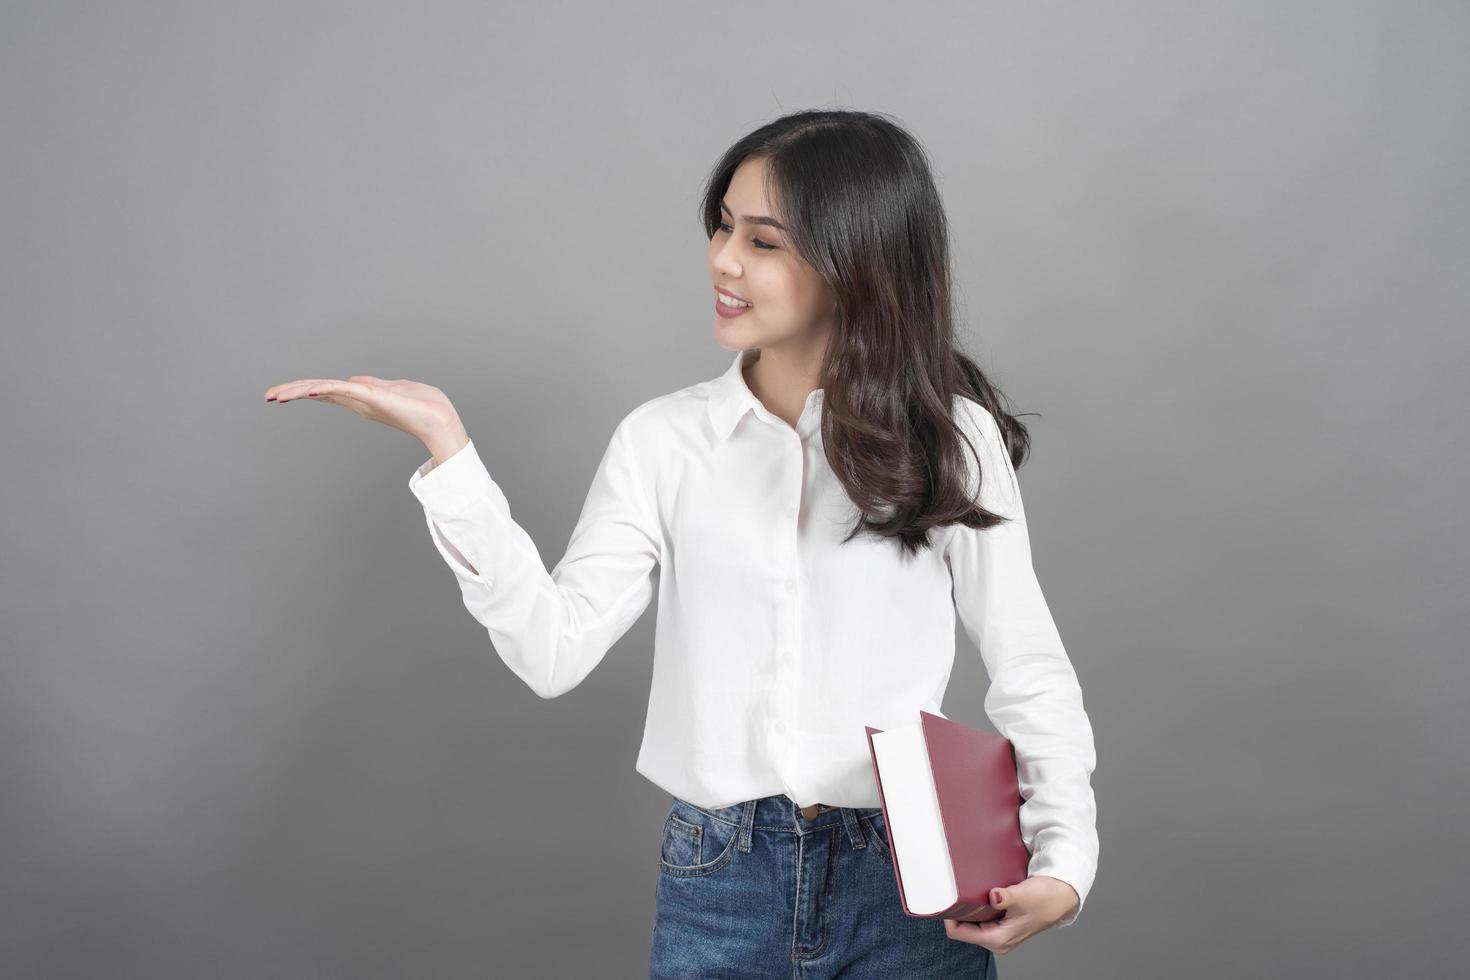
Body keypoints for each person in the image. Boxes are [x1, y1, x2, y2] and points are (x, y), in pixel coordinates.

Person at [264, 108, 1097, 978]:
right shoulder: (662, 441)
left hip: (910, 877)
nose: (725, 260)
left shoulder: (949, 438)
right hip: (720, 880)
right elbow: (552, 651)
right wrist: (450, 453)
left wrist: (1064, 864)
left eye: (765, 241)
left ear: (860, 264)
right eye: (723, 226)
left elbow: (1029, 668)